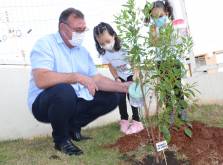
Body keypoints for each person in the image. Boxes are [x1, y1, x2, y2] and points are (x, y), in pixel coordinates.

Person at [28, 8, 130, 156]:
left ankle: (73, 128)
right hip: (44, 103)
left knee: (114, 95)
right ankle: (61, 140)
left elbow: (97, 79)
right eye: (78, 30)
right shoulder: (45, 44)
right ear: (63, 28)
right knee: (64, 90)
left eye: (83, 30)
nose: (81, 34)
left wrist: (124, 87)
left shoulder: (82, 52)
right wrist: (76, 77)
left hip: (73, 100)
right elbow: (41, 79)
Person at [93, 22, 144, 135]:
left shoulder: (124, 47)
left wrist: (135, 76)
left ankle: (137, 122)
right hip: (120, 76)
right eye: (102, 43)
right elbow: (111, 66)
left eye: (108, 41)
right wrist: (116, 78)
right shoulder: (104, 53)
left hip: (132, 74)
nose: (106, 45)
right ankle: (124, 120)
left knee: (132, 96)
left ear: (114, 35)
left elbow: (135, 62)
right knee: (120, 97)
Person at [145, 0, 188, 123]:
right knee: (165, 89)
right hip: (161, 61)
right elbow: (154, 43)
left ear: (167, 13)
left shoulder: (174, 25)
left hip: (174, 60)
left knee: (177, 86)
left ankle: (182, 110)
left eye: (160, 16)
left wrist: (168, 32)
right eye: (154, 17)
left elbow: (181, 40)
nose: (157, 19)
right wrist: (157, 32)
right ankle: (169, 113)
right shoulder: (153, 28)